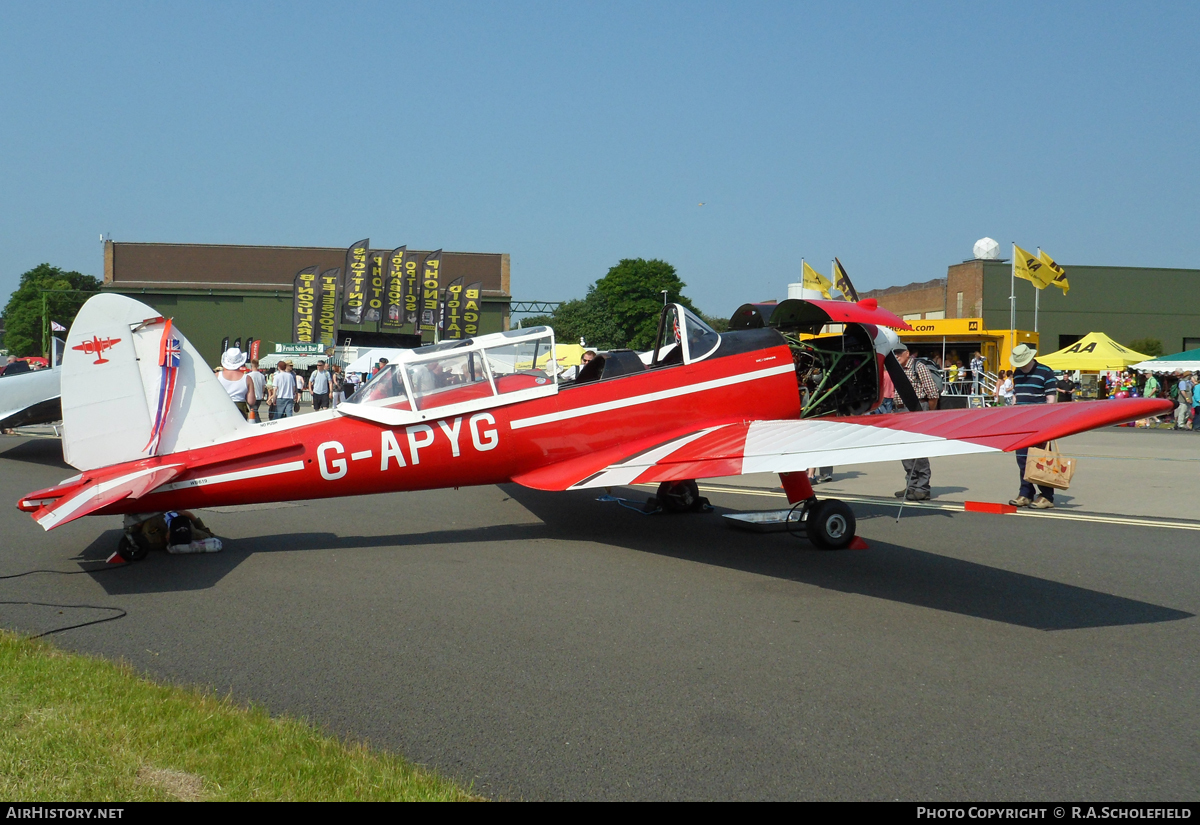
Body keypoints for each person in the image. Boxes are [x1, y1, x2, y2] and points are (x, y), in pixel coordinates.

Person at [1008, 344, 1058, 509]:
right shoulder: (1017, 373)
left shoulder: (1045, 372)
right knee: (1022, 459)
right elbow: (1017, 396)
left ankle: (1046, 495)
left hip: (1039, 422)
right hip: (1022, 422)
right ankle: (1026, 493)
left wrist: (1048, 422)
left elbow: (1051, 399)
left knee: (1040, 459)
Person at [891, 343, 939, 501]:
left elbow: (932, 393)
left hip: (916, 408)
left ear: (907, 353)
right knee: (905, 450)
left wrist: (927, 414)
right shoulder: (897, 370)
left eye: (899, 353)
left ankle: (922, 488)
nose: (896, 356)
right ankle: (911, 486)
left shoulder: (918, 367)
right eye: (894, 353)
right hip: (900, 411)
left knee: (918, 450)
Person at [217, 347, 256, 422]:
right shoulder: (247, 378)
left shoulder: (217, 376)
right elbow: (251, 401)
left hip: (221, 407)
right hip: (240, 408)